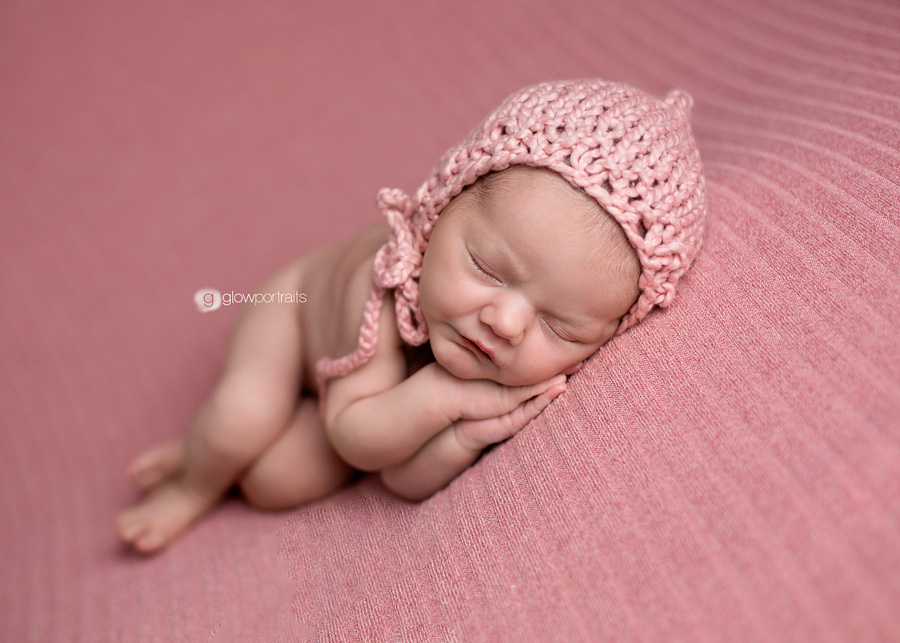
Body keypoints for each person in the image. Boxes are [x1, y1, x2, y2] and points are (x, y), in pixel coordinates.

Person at [116, 79, 707, 554]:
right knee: (244, 416)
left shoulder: (491, 341)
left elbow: (399, 480)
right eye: (486, 269)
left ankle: (214, 460)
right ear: (439, 205)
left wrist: (465, 436)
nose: (504, 322)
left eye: (560, 327)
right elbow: (353, 436)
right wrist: (450, 400)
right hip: (292, 316)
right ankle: (193, 479)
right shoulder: (385, 282)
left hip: (366, 402)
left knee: (274, 484)